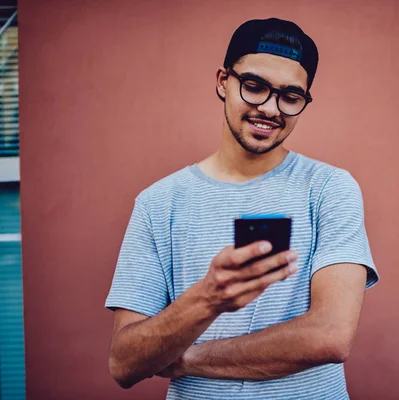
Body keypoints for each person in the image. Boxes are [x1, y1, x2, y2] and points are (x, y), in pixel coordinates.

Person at [105, 17, 380, 400]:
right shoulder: (158, 203)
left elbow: (331, 335)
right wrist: (208, 298)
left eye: (290, 96)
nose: (270, 108)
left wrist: (188, 358)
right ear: (222, 81)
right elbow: (123, 363)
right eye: (254, 87)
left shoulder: (330, 188)